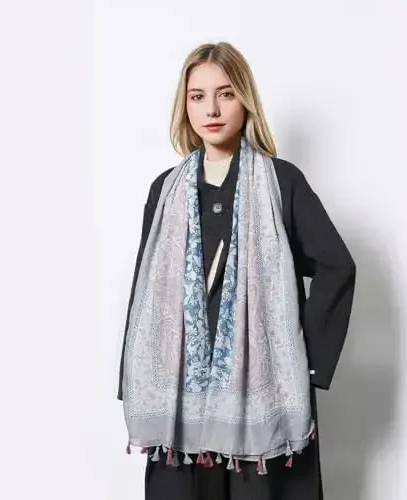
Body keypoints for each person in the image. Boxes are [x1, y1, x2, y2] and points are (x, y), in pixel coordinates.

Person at [117, 41, 356, 500]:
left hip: (259, 397)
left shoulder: (281, 182)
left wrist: (303, 361)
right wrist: (133, 376)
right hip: (181, 401)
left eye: (225, 94)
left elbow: (336, 266)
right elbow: (144, 291)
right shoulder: (165, 191)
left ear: (244, 99)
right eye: (198, 96)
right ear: (185, 106)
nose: (211, 109)